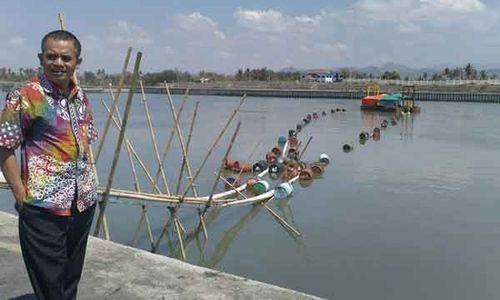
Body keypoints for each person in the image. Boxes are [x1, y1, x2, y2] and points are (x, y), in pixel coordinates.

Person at [0, 30, 98, 299]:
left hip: (83, 205)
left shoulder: (81, 98)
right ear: (40, 58)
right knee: (49, 285)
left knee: (69, 279)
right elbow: (4, 148)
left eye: (66, 57)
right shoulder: (26, 96)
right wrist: (22, 197)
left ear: (78, 62)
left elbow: (86, 143)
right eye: (51, 56)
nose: (58, 62)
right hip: (43, 208)